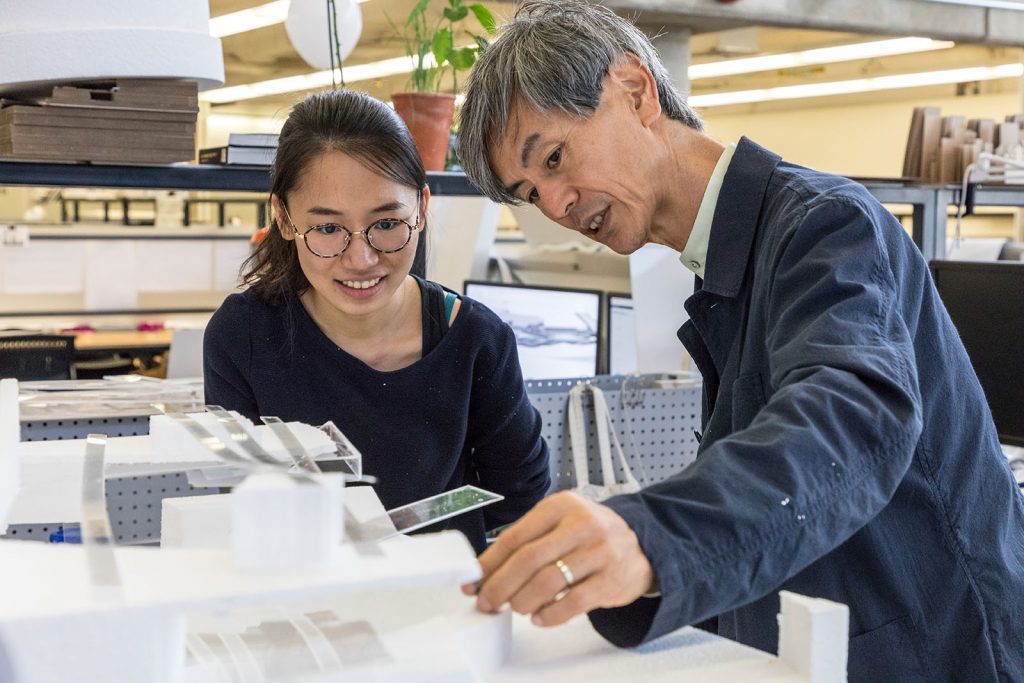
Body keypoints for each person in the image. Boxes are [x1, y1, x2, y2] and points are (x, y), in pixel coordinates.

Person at [455, 1, 1024, 679]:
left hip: (940, 650)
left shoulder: (824, 228)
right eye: (530, 192)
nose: (555, 206)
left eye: (553, 157)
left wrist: (654, 535)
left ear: (635, 90)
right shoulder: (726, 269)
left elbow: (849, 417)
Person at [203, 90, 550, 553]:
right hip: (299, 604)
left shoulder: (476, 341)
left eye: (387, 224)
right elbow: (239, 509)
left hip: (444, 603)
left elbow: (519, 500)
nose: (361, 259)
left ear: (422, 208)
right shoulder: (243, 337)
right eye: (327, 229)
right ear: (284, 219)